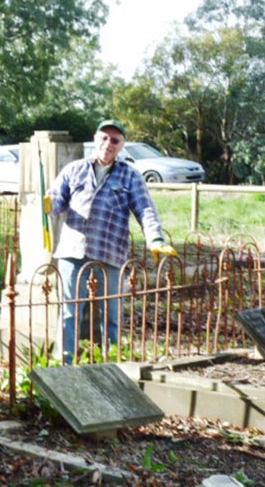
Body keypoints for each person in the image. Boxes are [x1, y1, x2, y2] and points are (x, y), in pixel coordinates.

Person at [44, 119, 177, 364]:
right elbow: (57, 200)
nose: (108, 144)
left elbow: (145, 208)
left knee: (110, 315)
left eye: (115, 140)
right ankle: (63, 366)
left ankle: (112, 364)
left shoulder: (130, 176)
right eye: (104, 138)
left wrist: (155, 238)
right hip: (73, 252)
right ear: (96, 139)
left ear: (122, 146)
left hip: (110, 253)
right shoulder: (75, 169)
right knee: (69, 313)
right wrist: (49, 203)